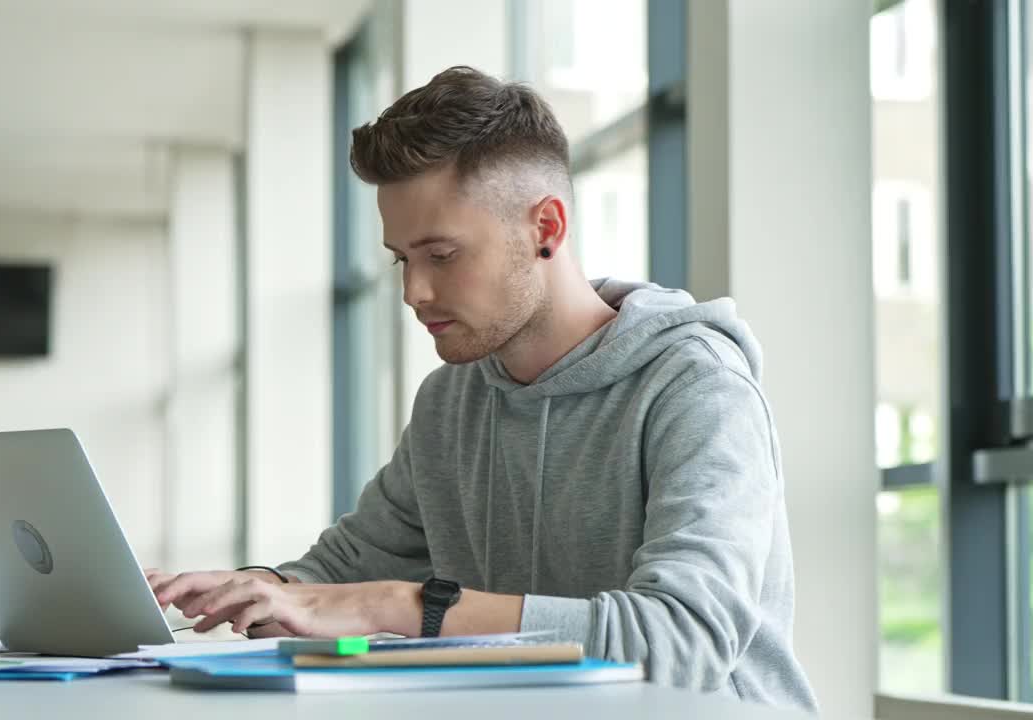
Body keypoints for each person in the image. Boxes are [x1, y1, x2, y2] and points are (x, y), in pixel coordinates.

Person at [146, 65, 817, 712]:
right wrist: (259, 589)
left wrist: (398, 606)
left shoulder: (697, 387)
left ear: (546, 228)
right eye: (402, 260)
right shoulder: (451, 400)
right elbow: (349, 565)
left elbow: (682, 644)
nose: (414, 292)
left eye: (442, 255)